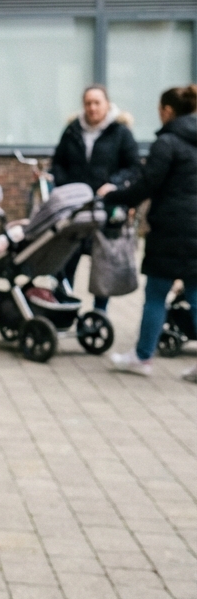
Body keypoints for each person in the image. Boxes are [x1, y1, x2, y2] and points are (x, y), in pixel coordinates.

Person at [99, 85, 197, 380]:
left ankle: (142, 357)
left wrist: (114, 195)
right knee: (195, 293)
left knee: (156, 293)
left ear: (167, 110)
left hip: (170, 229)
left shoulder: (167, 142)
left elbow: (146, 183)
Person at [50, 84, 140, 309]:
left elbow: (133, 167)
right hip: (75, 207)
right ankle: (63, 306)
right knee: (66, 257)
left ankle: (99, 313)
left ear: (107, 104)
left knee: (104, 262)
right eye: (88, 103)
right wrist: (64, 186)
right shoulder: (72, 130)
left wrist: (114, 185)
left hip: (106, 209)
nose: (92, 108)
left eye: (97, 102)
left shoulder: (120, 133)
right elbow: (58, 162)